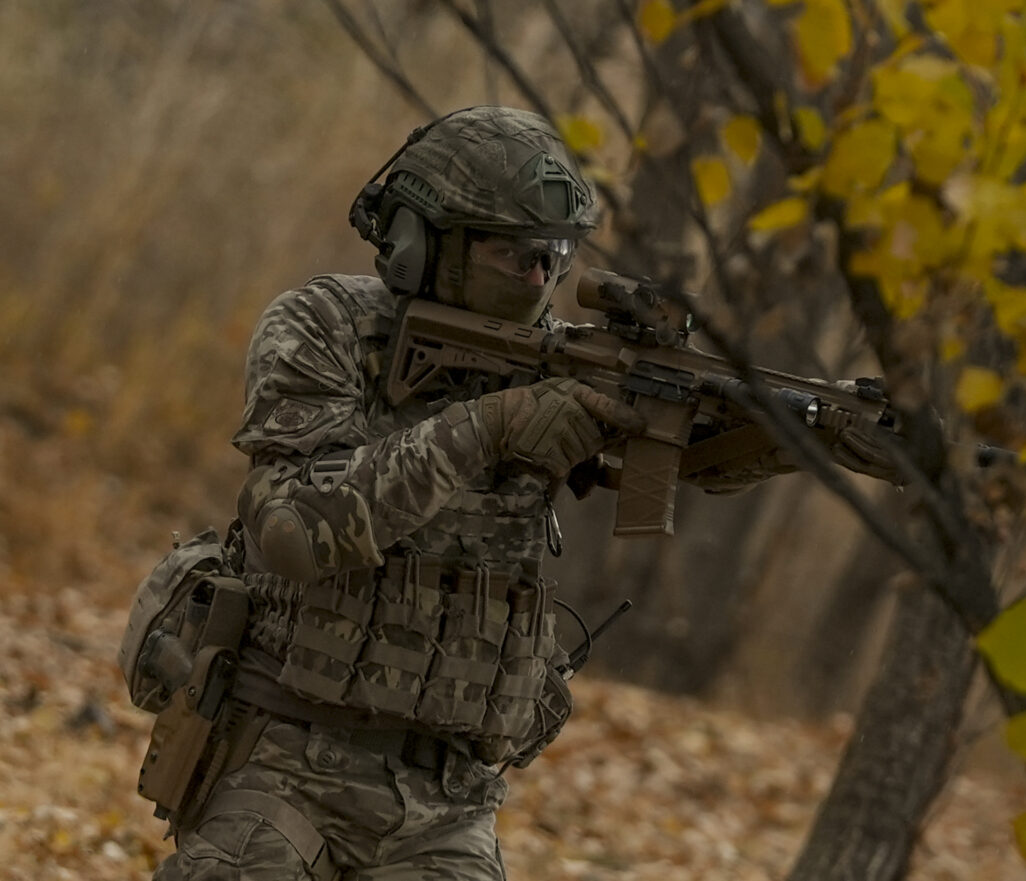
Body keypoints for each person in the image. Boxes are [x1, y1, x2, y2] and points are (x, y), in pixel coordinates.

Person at [151, 106, 655, 880]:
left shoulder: (563, 363)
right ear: (423, 242)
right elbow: (295, 527)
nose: (537, 278)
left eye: (552, 256)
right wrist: (488, 427)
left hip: (448, 805)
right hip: (284, 765)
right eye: (510, 253)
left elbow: (717, 461)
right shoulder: (324, 326)